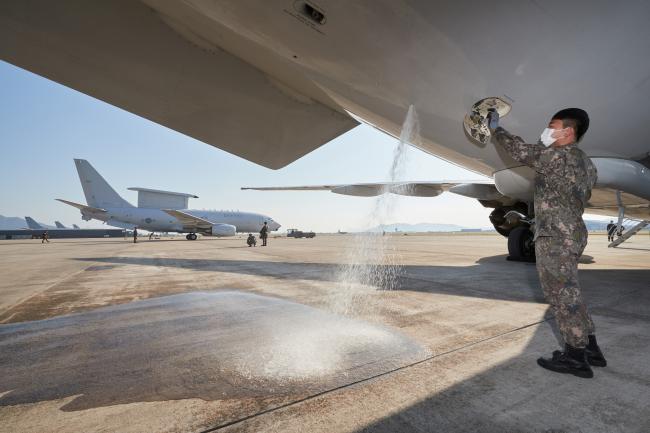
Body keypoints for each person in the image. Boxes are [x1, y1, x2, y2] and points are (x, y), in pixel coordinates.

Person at [489, 107, 606, 378]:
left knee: (562, 297)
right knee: (571, 293)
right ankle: (591, 348)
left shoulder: (556, 156)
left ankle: (575, 357)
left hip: (555, 235)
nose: (547, 130)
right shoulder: (586, 162)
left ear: (567, 131)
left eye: (552, 126)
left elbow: (520, 150)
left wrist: (496, 129)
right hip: (573, 232)